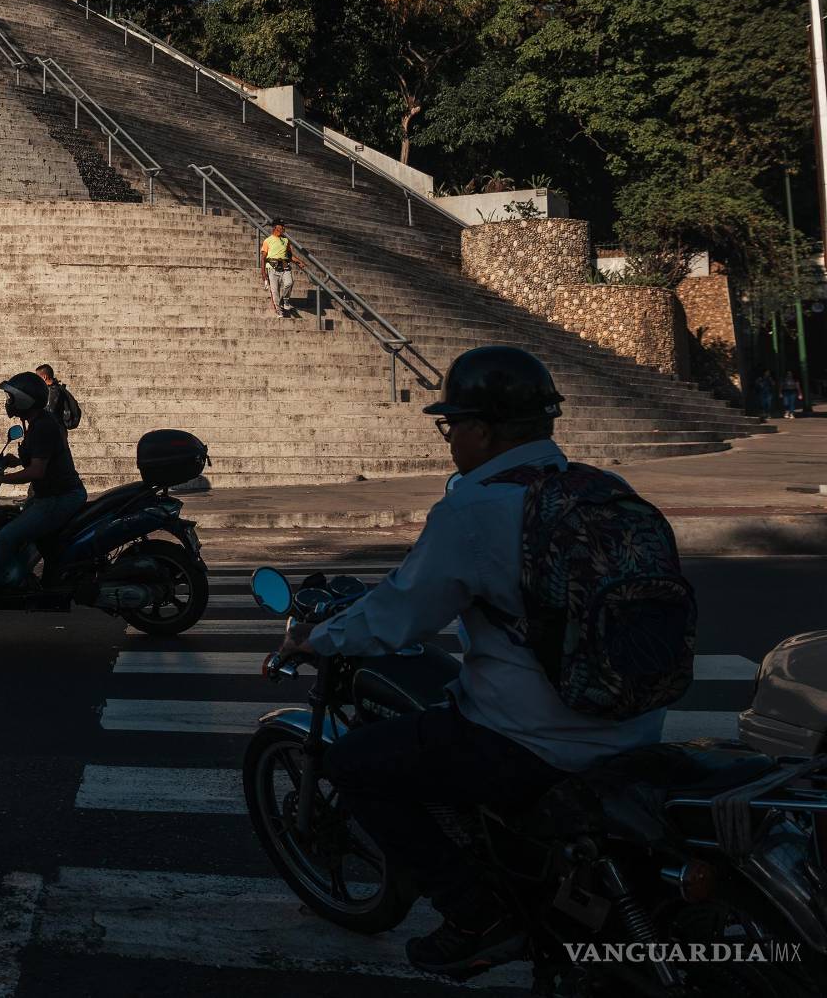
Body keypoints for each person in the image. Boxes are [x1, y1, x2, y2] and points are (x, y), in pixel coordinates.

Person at [276, 346, 684, 978]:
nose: (449, 442)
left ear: (484, 430)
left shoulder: (475, 510)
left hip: (533, 741)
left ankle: (476, 914)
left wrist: (315, 639)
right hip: (635, 726)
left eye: (452, 426)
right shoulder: (604, 489)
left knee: (355, 763)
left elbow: (398, 615)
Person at [0, 373, 88, 609]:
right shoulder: (38, 423)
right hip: (52, 495)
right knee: (14, 524)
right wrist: (15, 460)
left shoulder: (43, 427)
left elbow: (37, 471)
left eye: (11, 397)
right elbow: (42, 457)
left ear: (24, 400)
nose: (8, 402)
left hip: (59, 498)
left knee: (8, 535)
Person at [260, 219, 296, 318]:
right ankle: (279, 310)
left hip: (285, 267)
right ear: (275, 227)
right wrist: (263, 273)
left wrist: (299, 261)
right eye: (281, 225)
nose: (283, 227)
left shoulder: (285, 240)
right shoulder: (268, 240)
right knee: (275, 291)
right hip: (272, 268)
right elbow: (263, 257)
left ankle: (285, 300)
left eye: (284, 225)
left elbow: (290, 255)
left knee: (289, 282)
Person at [36, 364, 82, 431]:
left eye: (37, 377)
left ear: (44, 377)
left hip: (55, 432)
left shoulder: (53, 391)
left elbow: (49, 412)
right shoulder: (56, 389)